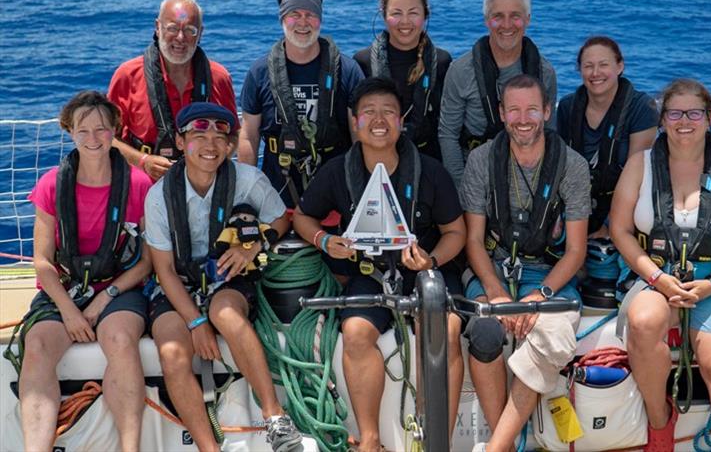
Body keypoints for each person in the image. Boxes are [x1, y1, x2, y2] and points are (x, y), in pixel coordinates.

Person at [292, 77, 466, 452]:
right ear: (355, 121)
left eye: (389, 111)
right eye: (369, 112)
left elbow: (456, 231)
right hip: (369, 276)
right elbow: (303, 218)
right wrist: (325, 241)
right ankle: (370, 439)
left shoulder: (431, 171)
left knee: (445, 332)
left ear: (401, 121)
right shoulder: (338, 170)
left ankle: (441, 441)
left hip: (427, 274)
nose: (379, 120)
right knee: (355, 332)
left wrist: (430, 260)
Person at [609, 79, 711, 452]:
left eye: (694, 113)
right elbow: (620, 229)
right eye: (674, 113)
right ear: (662, 120)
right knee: (643, 324)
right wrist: (657, 278)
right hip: (657, 276)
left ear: (709, 118)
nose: (684, 122)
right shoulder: (640, 165)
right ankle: (660, 421)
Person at [144, 102, 302, 452]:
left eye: (220, 136)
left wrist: (252, 247)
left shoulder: (248, 181)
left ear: (231, 146)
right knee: (171, 352)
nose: (210, 144)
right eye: (199, 135)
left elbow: (279, 220)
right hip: (177, 286)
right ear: (181, 142)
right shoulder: (158, 198)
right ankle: (208, 447)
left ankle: (275, 417)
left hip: (226, 278)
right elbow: (164, 269)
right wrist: (195, 321)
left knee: (226, 314)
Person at [460, 74, 590, 451]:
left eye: (532, 109)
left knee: (552, 336)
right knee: (484, 333)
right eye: (513, 109)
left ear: (547, 111)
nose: (523, 118)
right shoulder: (481, 160)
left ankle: (498, 446)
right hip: (492, 268)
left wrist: (540, 295)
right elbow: (472, 239)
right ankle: (511, 440)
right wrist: (497, 293)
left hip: (548, 273)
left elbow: (576, 251)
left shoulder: (573, 166)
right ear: (501, 114)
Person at [18, 91, 153, 452]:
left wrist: (101, 301)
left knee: (121, 342)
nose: (93, 139)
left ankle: (130, 447)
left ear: (115, 132)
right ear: (69, 132)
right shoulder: (50, 185)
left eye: (102, 130)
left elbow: (147, 261)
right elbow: (43, 261)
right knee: (38, 345)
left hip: (119, 288)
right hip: (65, 290)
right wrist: (68, 310)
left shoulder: (140, 186)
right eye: (83, 130)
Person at [238, 0, 364, 208]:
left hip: (335, 184)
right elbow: (249, 135)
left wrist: (361, 186)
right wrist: (246, 193)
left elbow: (358, 134)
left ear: (320, 20)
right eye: (294, 14)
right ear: (282, 19)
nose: (303, 23)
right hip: (278, 185)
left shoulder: (348, 71)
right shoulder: (259, 72)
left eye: (310, 15)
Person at [108, 0, 238, 181]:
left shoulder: (219, 77)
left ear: (200, 34)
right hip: (142, 190)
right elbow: (106, 137)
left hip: (203, 190)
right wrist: (143, 161)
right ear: (157, 28)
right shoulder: (127, 75)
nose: (180, 37)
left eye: (190, 30)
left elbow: (233, 134)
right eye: (172, 28)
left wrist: (213, 159)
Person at [438, 0, 557, 185]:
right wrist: (461, 190)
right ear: (487, 21)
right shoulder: (460, 71)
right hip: (475, 177)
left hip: (527, 178)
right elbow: (448, 135)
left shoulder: (544, 73)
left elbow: (549, 133)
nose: (507, 25)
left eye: (515, 16)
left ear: (527, 20)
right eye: (498, 17)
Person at [557, 36, 658, 238]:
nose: (595, 73)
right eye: (588, 66)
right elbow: (559, 165)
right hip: (578, 201)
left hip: (625, 201)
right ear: (580, 70)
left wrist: (610, 226)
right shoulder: (568, 107)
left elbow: (636, 175)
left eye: (604, 65)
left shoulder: (642, 108)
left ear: (620, 67)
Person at [353, 0, 452, 160]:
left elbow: (449, 127)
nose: (405, 22)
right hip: (376, 160)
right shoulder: (362, 62)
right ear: (384, 16)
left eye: (413, 13)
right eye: (396, 13)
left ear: (425, 15)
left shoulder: (443, 62)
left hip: (429, 159)